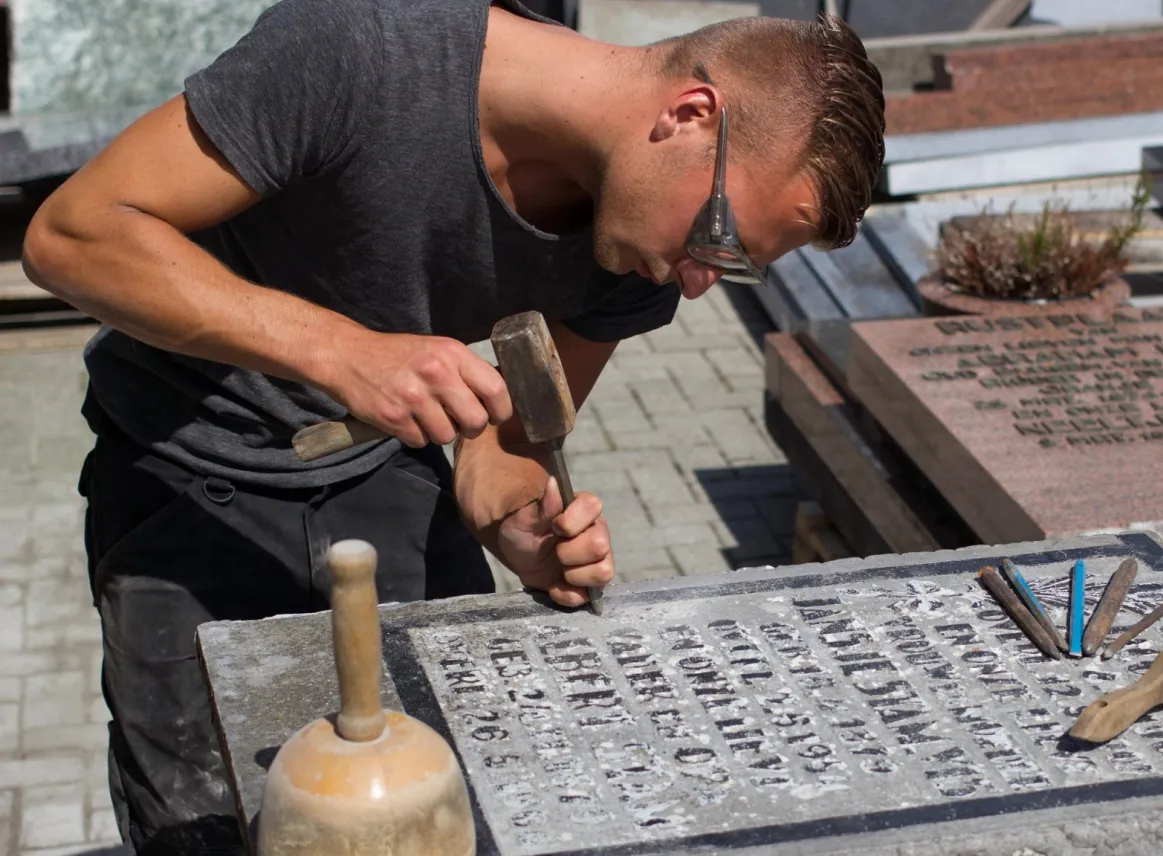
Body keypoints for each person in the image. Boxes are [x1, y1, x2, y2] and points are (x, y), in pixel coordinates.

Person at [20, 0, 885, 852]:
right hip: (188, 483)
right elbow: (72, 235)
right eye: (720, 240)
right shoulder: (359, 49)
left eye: (736, 269)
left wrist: (526, 533)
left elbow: (503, 450)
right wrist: (344, 352)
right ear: (691, 115)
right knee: (206, 830)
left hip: (386, 482)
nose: (699, 282)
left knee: (443, 817)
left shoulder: (636, 253)